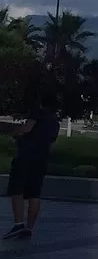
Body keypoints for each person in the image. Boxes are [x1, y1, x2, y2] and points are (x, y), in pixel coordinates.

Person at [4, 93, 59, 240]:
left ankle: (18, 224)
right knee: (35, 194)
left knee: (17, 189)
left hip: (26, 157)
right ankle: (29, 228)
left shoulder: (38, 113)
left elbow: (27, 129)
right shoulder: (55, 122)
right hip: (42, 159)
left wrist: (16, 133)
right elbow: (51, 140)